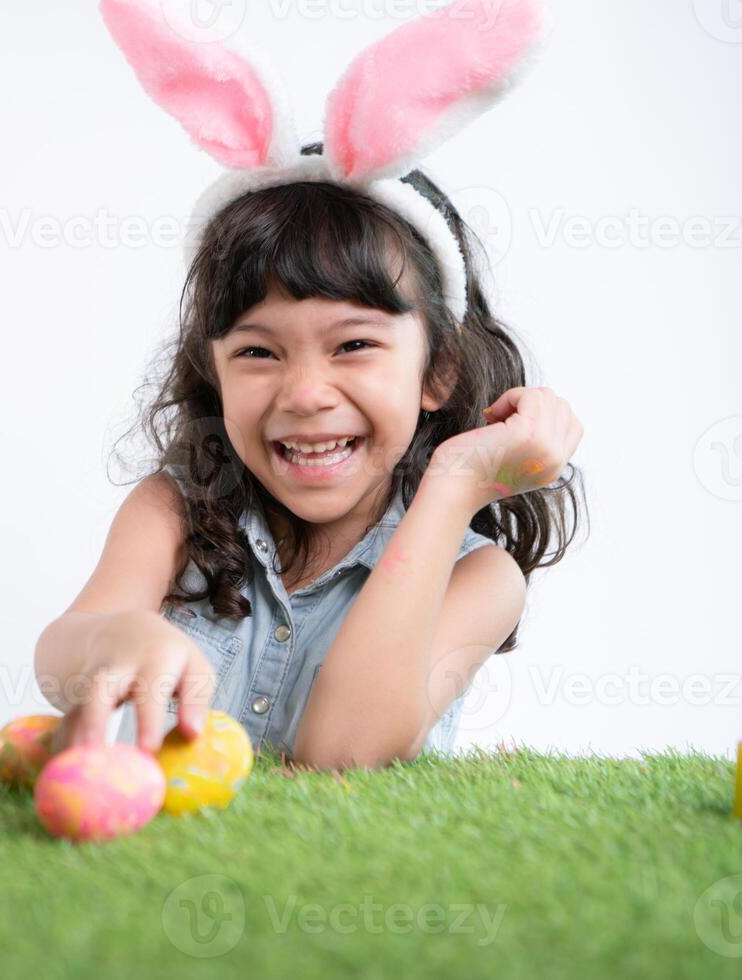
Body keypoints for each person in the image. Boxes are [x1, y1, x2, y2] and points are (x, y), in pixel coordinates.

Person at [33, 0, 587, 770]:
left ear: (439, 371)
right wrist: (112, 637)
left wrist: (456, 484)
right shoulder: (176, 512)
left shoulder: (478, 575)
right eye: (258, 353)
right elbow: (61, 657)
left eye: (354, 344)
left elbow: (341, 754)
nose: (303, 393)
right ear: (213, 371)